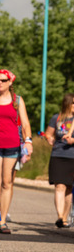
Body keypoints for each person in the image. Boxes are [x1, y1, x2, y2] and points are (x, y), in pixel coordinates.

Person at [0, 69, 33, 234]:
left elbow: (25, 124)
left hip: (12, 146)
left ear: (10, 82)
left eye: (3, 80)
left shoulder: (17, 101)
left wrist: (29, 141)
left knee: (7, 182)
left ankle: (2, 221)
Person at [44, 93, 74, 228]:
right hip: (58, 154)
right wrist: (49, 139)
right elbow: (48, 133)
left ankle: (65, 217)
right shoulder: (56, 118)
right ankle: (60, 217)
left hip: (72, 156)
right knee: (59, 186)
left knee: (69, 188)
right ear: (67, 104)